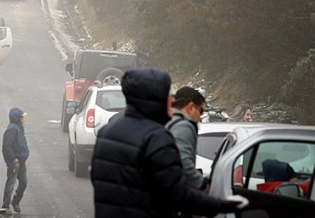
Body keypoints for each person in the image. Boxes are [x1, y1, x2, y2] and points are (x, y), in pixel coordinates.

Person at [90, 68, 250, 218]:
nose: (173, 101)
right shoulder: (157, 138)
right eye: (167, 95)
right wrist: (220, 205)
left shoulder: (107, 132)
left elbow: (99, 180)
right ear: (154, 100)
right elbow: (176, 195)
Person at [167, 87, 210, 205]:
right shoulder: (183, 126)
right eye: (200, 111)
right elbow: (182, 160)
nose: (200, 117)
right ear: (191, 106)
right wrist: (202, 184)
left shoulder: (168, 120)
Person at [1, 107, 29, 214]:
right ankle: (5, 206)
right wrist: (14, 158)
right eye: (22, 117)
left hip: (21, 160)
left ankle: (15, 201)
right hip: (15, 161)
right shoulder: (12, 129)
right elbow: (6, 146)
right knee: (11, 183)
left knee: (23, 182)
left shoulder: (19, 127)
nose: (23, 119)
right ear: (17, 118)